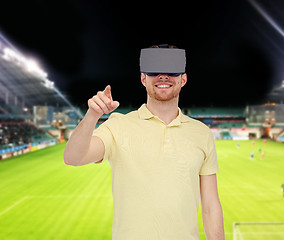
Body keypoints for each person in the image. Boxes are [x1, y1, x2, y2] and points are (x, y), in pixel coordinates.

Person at [63, 44, 224, 240]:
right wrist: (92, 115)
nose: (163, 77)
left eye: (171, 71)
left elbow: (210, 206)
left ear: (183, 79)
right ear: (143, 78)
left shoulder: (201, 133)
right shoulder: (118, 125)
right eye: (154, 71)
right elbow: (73, 157)